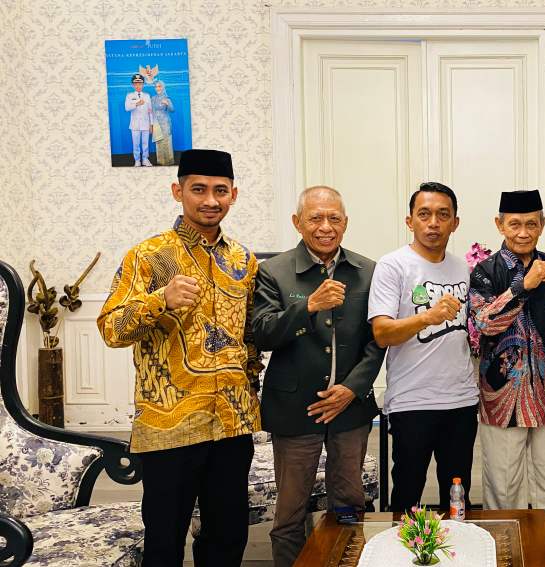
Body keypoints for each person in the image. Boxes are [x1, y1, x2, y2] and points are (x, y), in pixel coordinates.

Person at [97, 149, 260, 567]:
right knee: (165, 541)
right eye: (199, 189)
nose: (210, 200)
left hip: (231, 423)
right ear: (178, 191)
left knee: (227, 538)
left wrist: (251, 392)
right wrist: (160, 300)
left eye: (220, 190)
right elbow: (111, 329)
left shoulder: (244, 260)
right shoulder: (148, 255)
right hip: (170, 426)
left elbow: (249, 339)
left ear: (233, 195)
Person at [250, 186, 385, 566]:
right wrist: (308, 306)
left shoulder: (368, 271)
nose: (326, 226)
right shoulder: (273, 272)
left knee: (349, 504)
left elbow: (378, 340)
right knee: (290, 512)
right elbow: (263, 333)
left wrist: (352, 389)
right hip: (295, 408)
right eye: (315, 218)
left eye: (334, 218)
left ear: (345, 223)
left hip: (350, 409)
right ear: (297, 222)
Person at [468, 189, 545, 556]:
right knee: (503, 488)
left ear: (542, 224)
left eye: (531, 224)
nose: (522, 232)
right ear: (499, 225)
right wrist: (523, 286)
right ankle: (506, 557)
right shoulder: (486, 272)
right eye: (514, 224)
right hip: (500, 397)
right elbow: (484, 323)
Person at [367, 181, 478, 512]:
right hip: (412, 401)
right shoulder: (393, 265)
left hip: (461, 401)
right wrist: (428, 317)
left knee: (457, 498)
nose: (433, 223)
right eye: (424, 214)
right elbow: (382, 333)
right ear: (409, 221)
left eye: (443, 215)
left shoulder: (463, 268)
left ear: (455, 222)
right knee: (407, 496)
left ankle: (458, 546)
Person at [125, 73, 153, 167]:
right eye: (136, 84)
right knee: (136, 144)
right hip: (135, 124)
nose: (138, 86)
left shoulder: (147, 96)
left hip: (145, 123)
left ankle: (145, 159)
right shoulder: (129, 96)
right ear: (133, 85)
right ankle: (137, 160)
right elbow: (127, 108)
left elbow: (150, 111)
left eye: (140, 84)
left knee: (145, 143)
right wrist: (136, 104)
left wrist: (151, 124)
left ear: (143, 84)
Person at [151, 81, 175, 166]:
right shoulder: (153, 98)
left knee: (166, 140)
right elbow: (152, 112)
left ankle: (168, 161)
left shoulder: (166, 97)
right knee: (159, 141)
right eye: (156, 87)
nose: (157, 88)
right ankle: (160, 161)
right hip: (156, 122)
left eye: (159, 86)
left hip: (165, 122)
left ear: (163, 87)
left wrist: (167, 104)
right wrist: (152, 124)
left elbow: (172, 110)